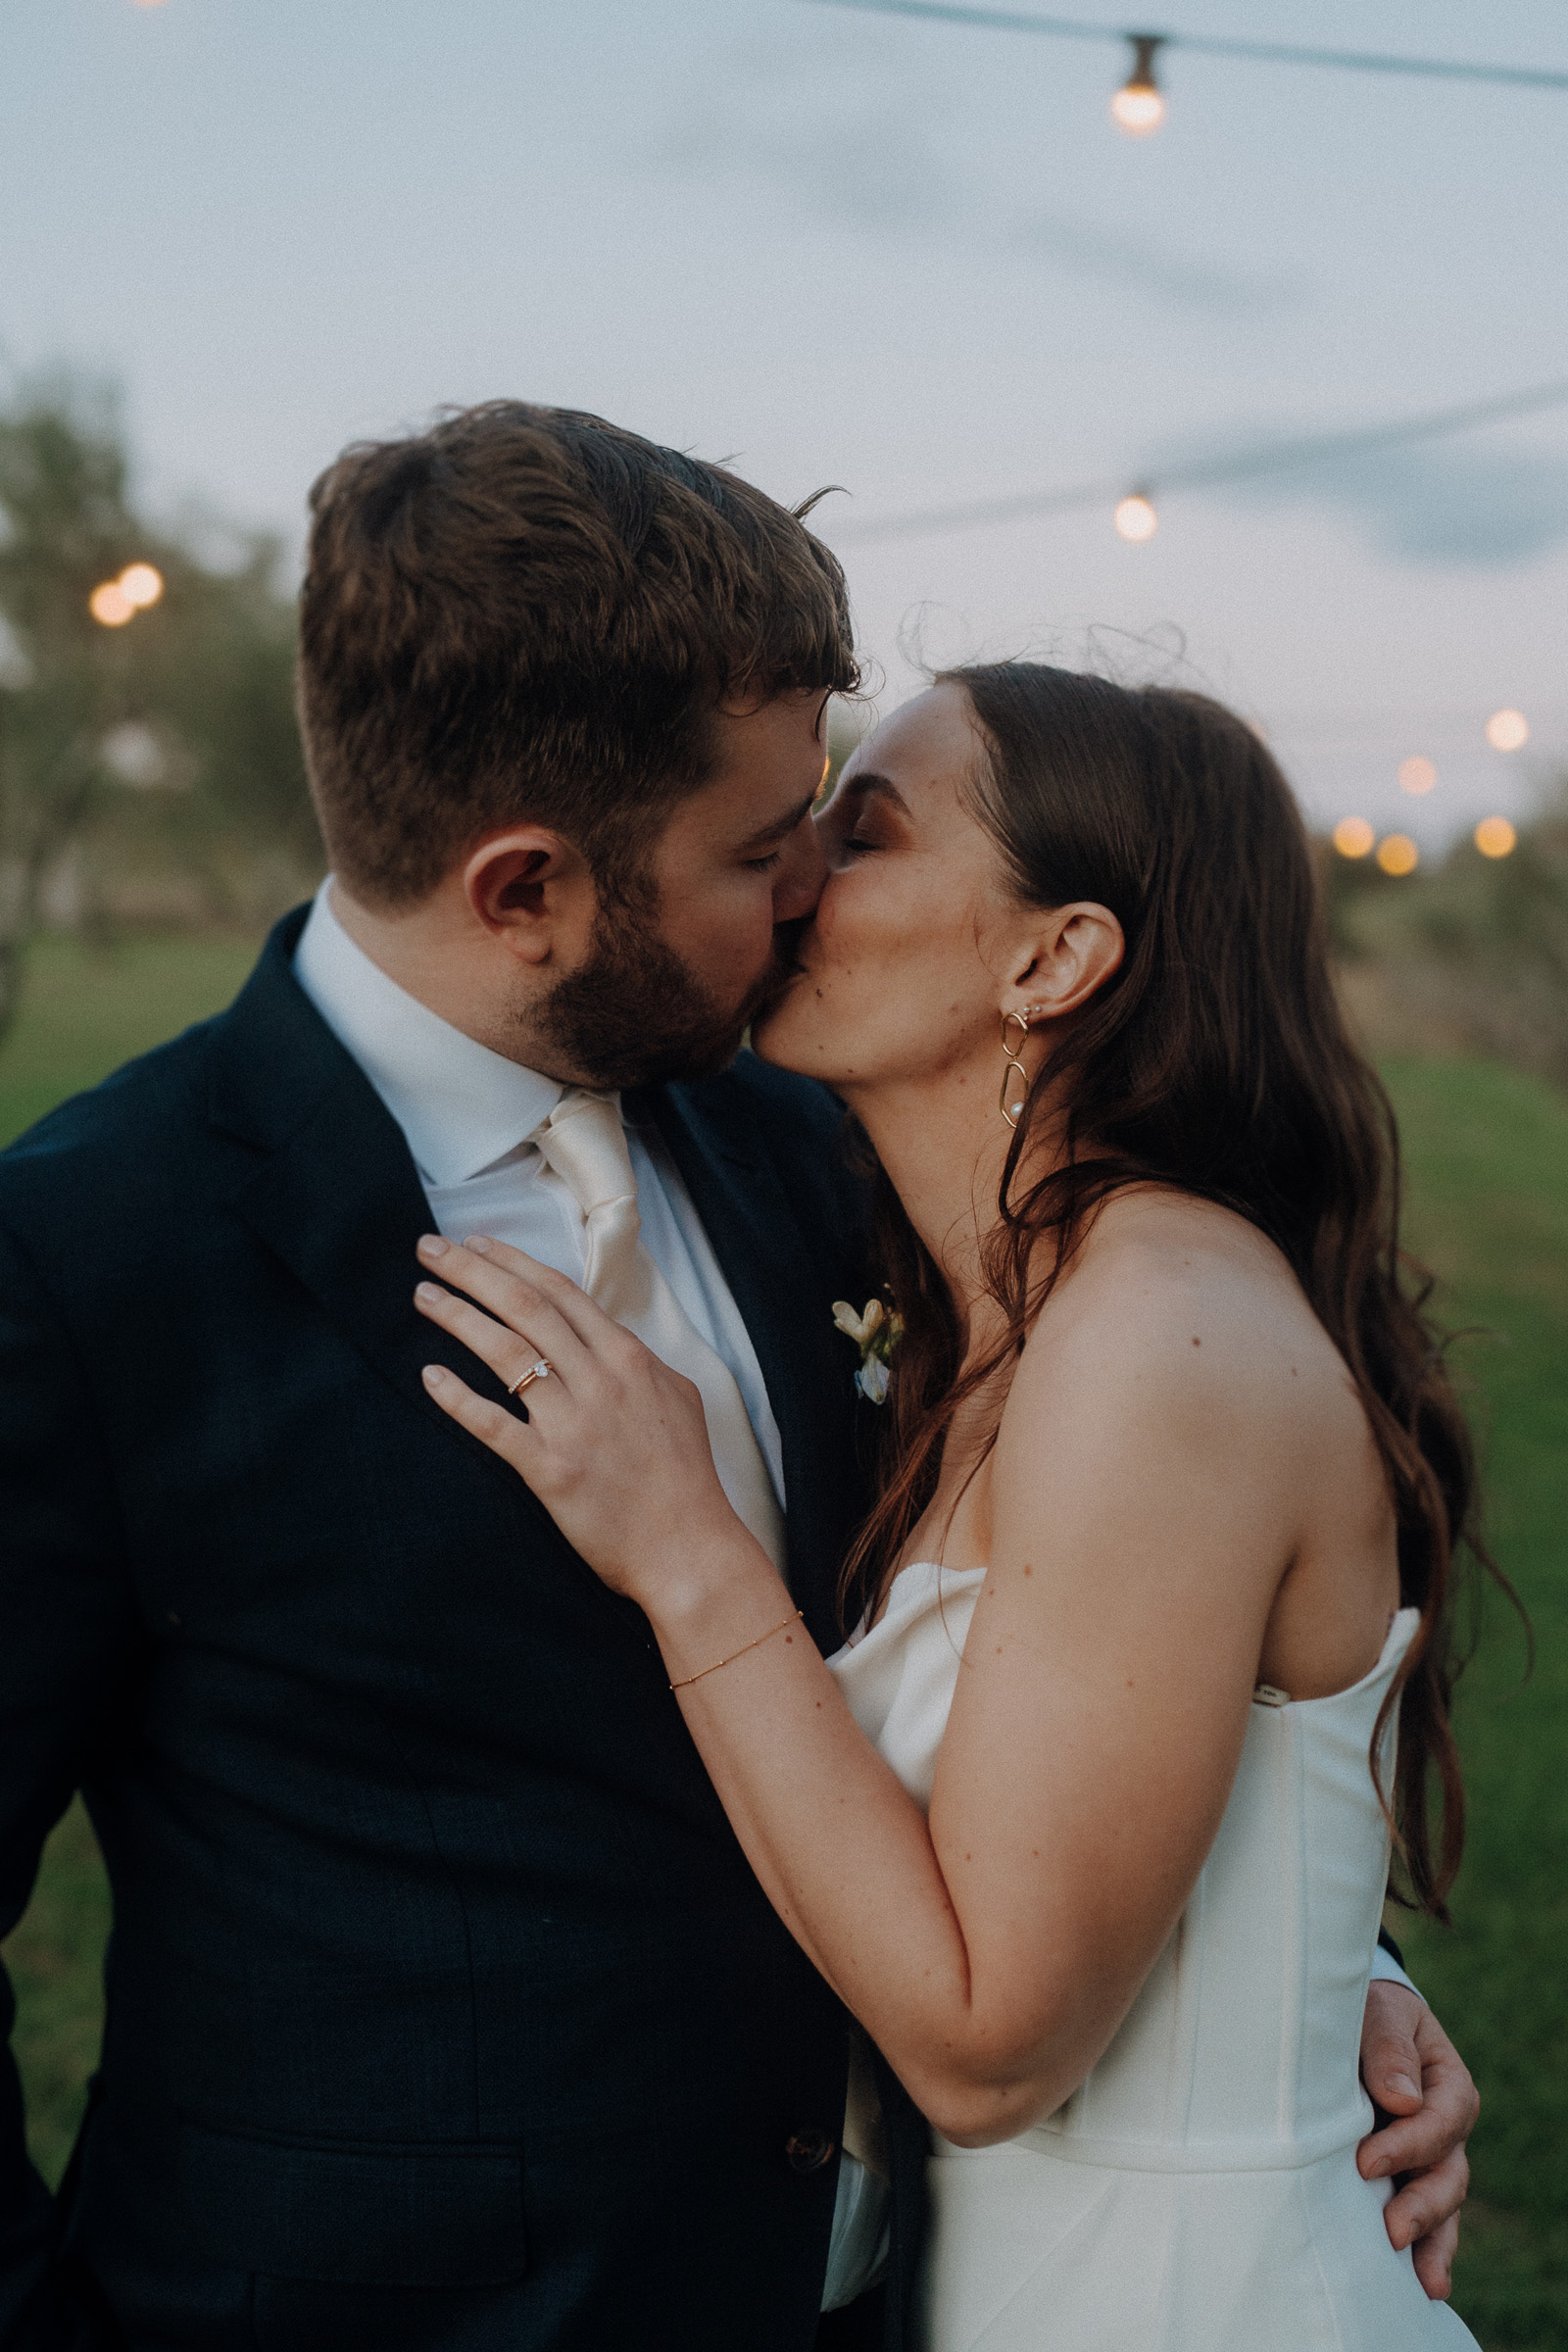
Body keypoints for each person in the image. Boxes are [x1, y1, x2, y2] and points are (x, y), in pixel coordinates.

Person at [0, 407, 1471, 2352]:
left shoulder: (819, 1136)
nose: (799, 891)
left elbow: (1087, 1628)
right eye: (765, 845)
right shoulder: (92, 1258)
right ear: (523, 889)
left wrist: (1289, 1961)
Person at [410, 661, 1493, 2349]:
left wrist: (689, 1551)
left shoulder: (1156, 1336)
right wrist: (1335, 1960)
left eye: (867, 833)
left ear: (1052, 959)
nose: (793, 874)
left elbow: (988, 2044)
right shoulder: (1001, 1306)